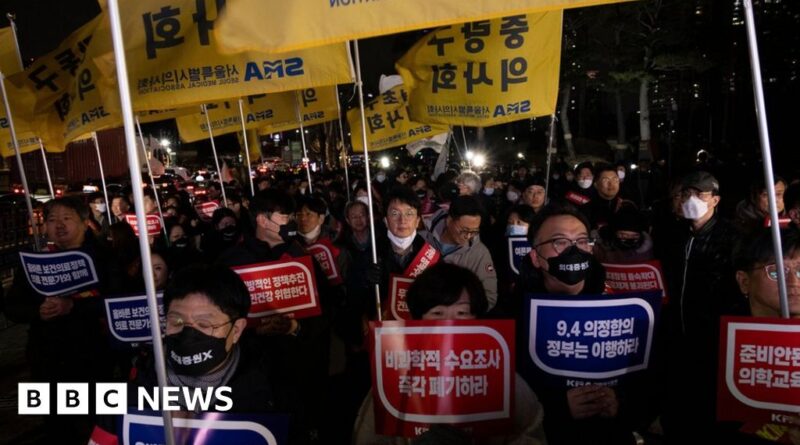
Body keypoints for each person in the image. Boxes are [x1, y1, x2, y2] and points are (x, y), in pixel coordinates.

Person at [90, 265, 307, 443]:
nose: (189, 334)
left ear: (237, 330)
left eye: (204, 324)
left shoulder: (274, 395)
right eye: (177, 321)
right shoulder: (129, 397)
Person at [352, 262, 548, 445]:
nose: (449, 324)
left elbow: (533, 434)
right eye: (437, 313)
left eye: (462, 313)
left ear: (477, 318)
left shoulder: (504, 379)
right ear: (417, 320)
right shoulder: (395, 379)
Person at [512, 204, 655, 445]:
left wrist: (620, 403)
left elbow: (652, 385)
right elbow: (502, 401)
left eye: (580, 241)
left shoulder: (621, 307)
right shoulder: (512, 315)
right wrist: (555, 406)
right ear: (536, 257)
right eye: (559, 242)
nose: (573, 251)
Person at [5, 197, 115, 445]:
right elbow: (12, 307)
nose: (59, 225)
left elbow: (117, 300)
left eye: (67, 219)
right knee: (55, 424)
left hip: (93, 357)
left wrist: (73, 306)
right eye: (52, 220)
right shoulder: (35, 262)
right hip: (46, 359)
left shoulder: (104, 258)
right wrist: (37, 311)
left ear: (86, 223)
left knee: (95, 421)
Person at [660, 170, 742, 444]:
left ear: (715, 200)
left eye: (700, 194)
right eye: (686, 193)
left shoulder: (733, 237)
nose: (691, 199)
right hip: (677, 338)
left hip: (714, 341)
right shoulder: (674, 233)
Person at [730, 228, 800, 444]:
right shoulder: (724, 346)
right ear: (744, 281)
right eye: (776, 272)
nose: (794, 282)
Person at [426, 195, 498, 310]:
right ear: (449, 220)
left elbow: (489, 296)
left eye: (474, 231)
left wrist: (461, 312)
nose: (468, 236)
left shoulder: (479, 253)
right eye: (464, 230)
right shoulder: (423, 237)